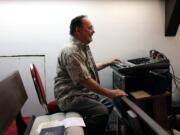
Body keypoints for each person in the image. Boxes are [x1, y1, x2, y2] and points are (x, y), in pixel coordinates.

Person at [54, 15, 128, 135]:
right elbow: (85, 79)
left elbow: (87, 70)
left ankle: (90, 128)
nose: (93, 31)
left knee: (108, 103)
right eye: (90, 28)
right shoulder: (72, 52)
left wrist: (108, 62)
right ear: (78, 30)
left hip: (80, 94)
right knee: (102, 111)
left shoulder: (80, 47)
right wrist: (111, 93)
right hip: (70, 97)